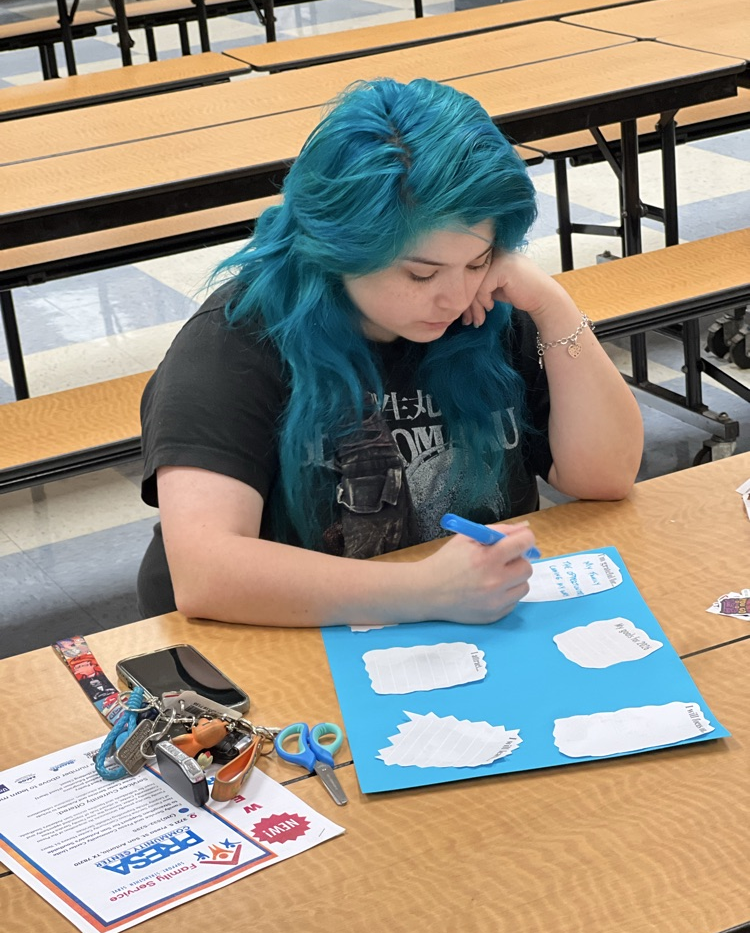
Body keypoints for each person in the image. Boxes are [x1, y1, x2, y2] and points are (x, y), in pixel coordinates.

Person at [137, 77, 643, 628]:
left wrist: (553, 307)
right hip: (271, 640)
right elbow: (205, 572)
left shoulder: (488, 306)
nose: (455, 297)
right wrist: (426, 590)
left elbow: (606, 476)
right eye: (421, 273)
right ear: (340, 248)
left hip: (446, 632)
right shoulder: (234, 341)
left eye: (478, 261)